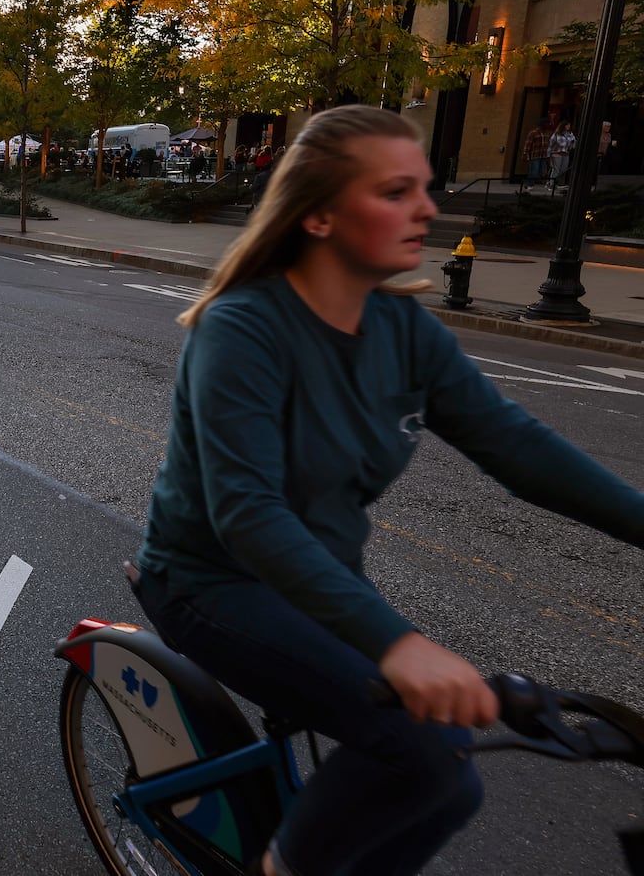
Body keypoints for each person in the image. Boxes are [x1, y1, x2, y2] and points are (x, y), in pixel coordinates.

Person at [130, 105, 644, 876]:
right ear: (321, 216)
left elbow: (517, 447)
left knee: (451, 785)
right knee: (424, 752)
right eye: (396, 191)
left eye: (425, 188)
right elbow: (249, 512)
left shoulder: (405, 330)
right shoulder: (243, 329)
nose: (428, 209)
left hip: (322, 579)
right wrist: (400, 645)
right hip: (211, 581)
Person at [522, 119, 549, 187]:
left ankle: (540, 182)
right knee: (534, 170)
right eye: (546, 124)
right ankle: (530, 184)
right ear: (542, 125)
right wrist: (525, 153)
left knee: (543, 171)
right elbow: (528, 144)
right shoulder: (533, 133)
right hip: (535, 155)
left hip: (543, 155)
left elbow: (548, 144)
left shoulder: (546, 133)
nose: (547, 125)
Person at [548, 120, 575, 187]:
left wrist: (572, 145)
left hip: (566, 154)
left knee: (563, 170)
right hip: (557, 153)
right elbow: (550, 145)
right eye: (567, 125)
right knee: (556, 170)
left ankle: (559, 183)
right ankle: (552, 184)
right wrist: (549, 155)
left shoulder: (570, 134)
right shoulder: (556, 134)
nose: (569, 126)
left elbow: (574, 142)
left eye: (569, 125)